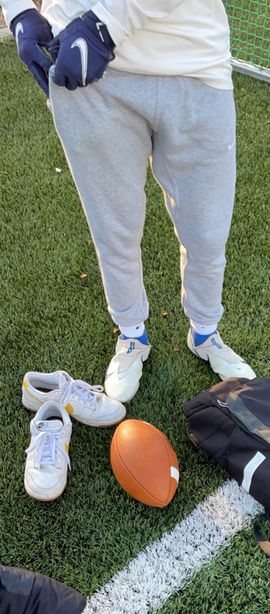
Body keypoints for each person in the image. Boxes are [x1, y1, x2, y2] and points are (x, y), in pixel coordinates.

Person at [2, 0, 256, 402]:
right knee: (113, 228)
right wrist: (17, 11)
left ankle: (205, 331)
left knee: (206, 230)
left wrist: (107, 26)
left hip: (193, 63)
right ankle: (132, 336)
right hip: (84, 71)